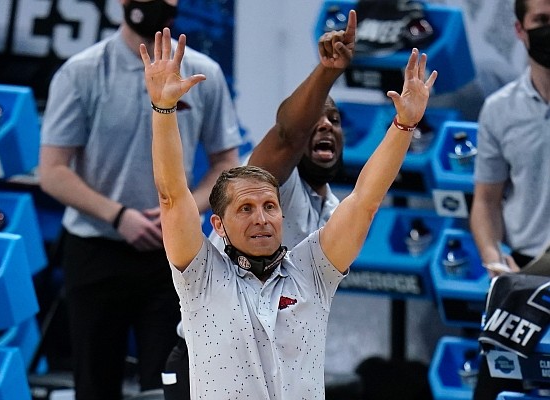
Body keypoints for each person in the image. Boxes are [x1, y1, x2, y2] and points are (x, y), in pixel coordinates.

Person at [142, 22, 436, 399]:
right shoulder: (199, 276)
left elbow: (366, 200)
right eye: (245, 209)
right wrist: (163, 110)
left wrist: (404, 124)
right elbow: (171, 196)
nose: (261, 218)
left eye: (269, 206)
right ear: (219, 224)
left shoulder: (313, 270)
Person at [38, 0, 243, 398]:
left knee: (169, 385)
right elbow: (53, 170)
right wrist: (118, 216)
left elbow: (226, 163)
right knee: (95, 386)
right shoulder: (81, 72)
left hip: (174, 254)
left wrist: (181, 209)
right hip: (96, 249)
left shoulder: (205, 74)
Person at [161, 11, 357, 399]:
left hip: (273, 363)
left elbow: (367, 198)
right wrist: (326, 72)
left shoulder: (334, 210)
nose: (325, 126)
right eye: (316, 119)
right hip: (207, 359)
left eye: (334, 119)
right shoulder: (268, 187)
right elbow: (288, 133)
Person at [470, 0, 550, 398]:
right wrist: (493, 258)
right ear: (520, 29)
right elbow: (485, 201)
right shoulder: (499, 110)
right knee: (492, 388)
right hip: (524, 278)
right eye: (542, 22)